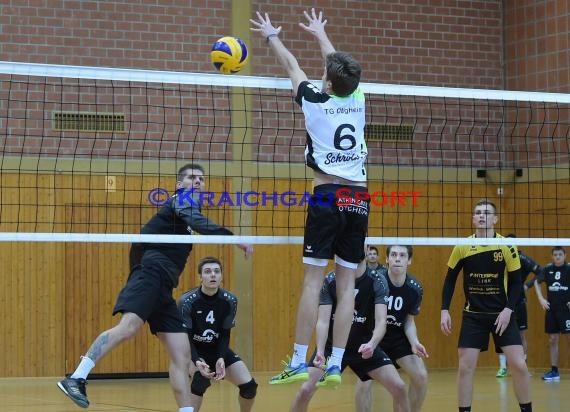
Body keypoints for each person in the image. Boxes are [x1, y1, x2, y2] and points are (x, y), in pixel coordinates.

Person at [57, 164, 253, 411]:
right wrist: (234, 238)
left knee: (181, 353)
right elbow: (195, 223)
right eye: (192, 178)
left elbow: (138, 245)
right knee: (128, 328)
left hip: (163, 287)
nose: (197, 182)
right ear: (179, 184)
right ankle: (77, 377)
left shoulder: (186, 212)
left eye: (201, 179)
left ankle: (185, 410)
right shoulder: (180, 202)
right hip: (152, 275)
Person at [251, 9, 369, 387]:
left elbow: (292, 66)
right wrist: (322, 34)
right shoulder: (359, 97)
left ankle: (300, 360)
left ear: (329, 83)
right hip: (360, 199)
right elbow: (337, 69)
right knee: (348, 285)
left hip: (326, 196)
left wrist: (271, 36)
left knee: (313, 283)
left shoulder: (315, 102)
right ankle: (335, 363)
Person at [440, 199, 532, 412]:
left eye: (487, 213)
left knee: (519, 365)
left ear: (495, 219)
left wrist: (509, 310)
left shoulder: (507, 246)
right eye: (478, 212)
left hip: (503, 315)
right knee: (465, 367)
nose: (482, 216)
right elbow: (449, 280)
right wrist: (444, 309)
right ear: (473, 218)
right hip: (474, 316)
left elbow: (517, 283)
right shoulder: (462, 246)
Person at [291, 256, 411, 412]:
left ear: (367, 249)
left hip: (363, 347)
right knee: (304, 391)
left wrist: (372, 344)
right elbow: (323, 321)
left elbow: (382, 322)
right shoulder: (330, 280)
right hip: (332, 349)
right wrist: (320, 350)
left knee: (400, 387)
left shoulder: (377, 280)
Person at [354, 245, 429, 412]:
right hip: (373, 338)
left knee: (421, 376)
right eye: (393, 255)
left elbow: (409, 322)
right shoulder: (374, 281)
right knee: (364, 381)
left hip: (398, 340)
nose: (397, 258)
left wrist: (414, 342)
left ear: (409, 260)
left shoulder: (415, 289)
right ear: (386, 259)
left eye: (402, 255)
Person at [178, 256, 257, 411]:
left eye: (216, 271)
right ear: (200, 277)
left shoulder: (230, 300)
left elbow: (225, 333)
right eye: (207, 272)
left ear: (221, 276)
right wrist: (196, 359)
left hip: (216, 349)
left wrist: (221, 357)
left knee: (249, 387)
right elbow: (185, 337)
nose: (212, 275)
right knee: (200, 381)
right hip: (193, 350)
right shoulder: (186, 301)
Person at [495, 234, 542, 378]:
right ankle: (503, 367)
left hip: (519, 303)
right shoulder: (498, 258)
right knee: (500, 333)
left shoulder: (523, 259)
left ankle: (523, 367)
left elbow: (541, 272)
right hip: (501, 303)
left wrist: (527, 285)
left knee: (521, 335)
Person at [533, 246, 570, 381]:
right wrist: (541, 299)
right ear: (552, 256)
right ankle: (554, 371)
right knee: (553, 339)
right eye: (555, 255)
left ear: (565, 255)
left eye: (560, 254)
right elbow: (536, 282)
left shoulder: (569, 268)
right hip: (552, 310)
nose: (558, 257)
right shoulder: (548, 269)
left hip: (566, 311)